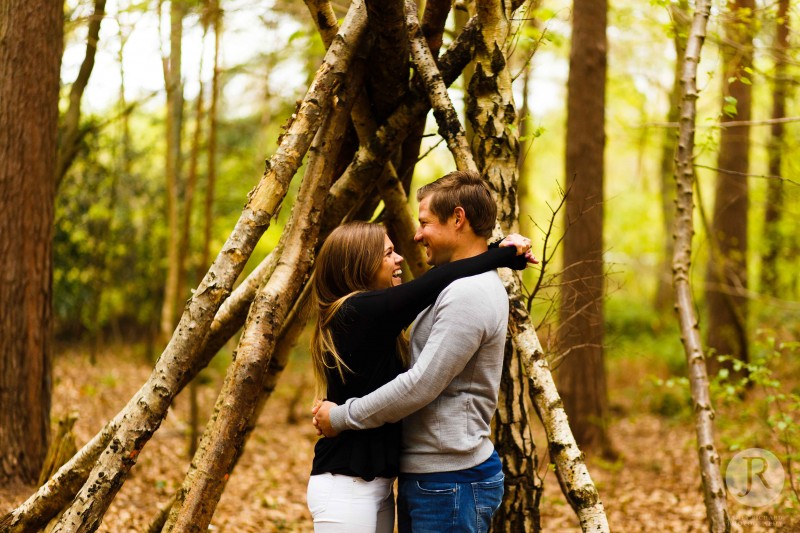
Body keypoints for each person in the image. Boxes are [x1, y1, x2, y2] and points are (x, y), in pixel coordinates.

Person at [312, 170, 530, 532]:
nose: (413, 237)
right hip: (405, 479)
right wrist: (501, 253)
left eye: (424, 222)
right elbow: (428, 286)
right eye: (388, 252)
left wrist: (340, 416)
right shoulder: (363, 309)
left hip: (447, 481)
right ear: (359, 265)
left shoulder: (466, 292)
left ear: (457, 219)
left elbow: (420, 384)